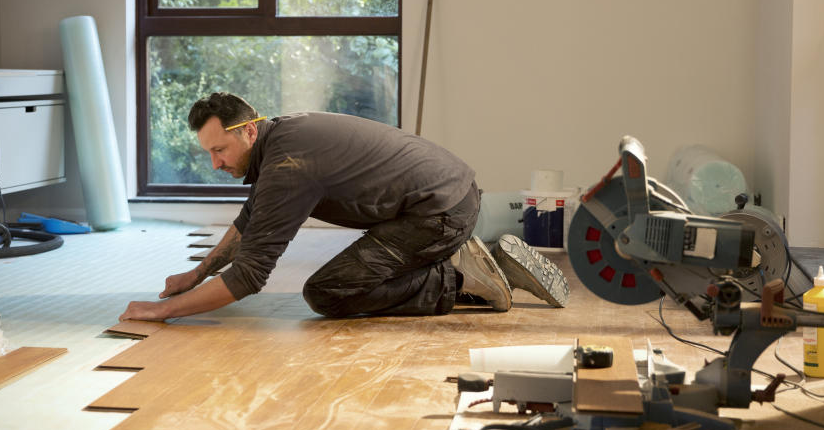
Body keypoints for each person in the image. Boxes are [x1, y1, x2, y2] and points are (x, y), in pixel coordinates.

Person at [120, 92, 567, 322]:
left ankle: (460, 278)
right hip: (447, 197)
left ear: (248, 132)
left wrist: (163, 312)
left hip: (439, 214)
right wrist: (197, 274)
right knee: (350, 277)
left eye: (219, 150)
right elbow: (250, 221)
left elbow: (251, 276)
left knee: (327, 293)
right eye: (208, 154)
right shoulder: (283, 139)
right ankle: (462, 260)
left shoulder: (288, 165)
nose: (215, 163)